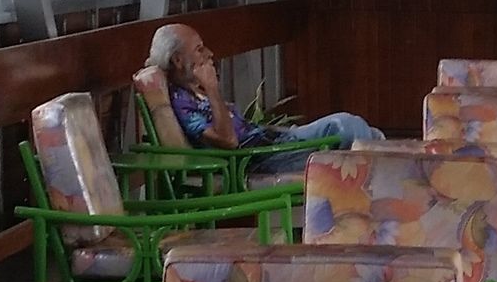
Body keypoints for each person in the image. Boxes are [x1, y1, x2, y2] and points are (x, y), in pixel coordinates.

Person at [149, 24, 382, 181]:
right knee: (348, 127)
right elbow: (228, 141)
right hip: (261, 158)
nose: (209, 53)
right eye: (199, 49)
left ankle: (366, 193)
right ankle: (364, 199)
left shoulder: (194, 93)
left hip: (274, 141)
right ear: (178, 60)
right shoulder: (183, 104)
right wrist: (212, 88)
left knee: (367, 134)